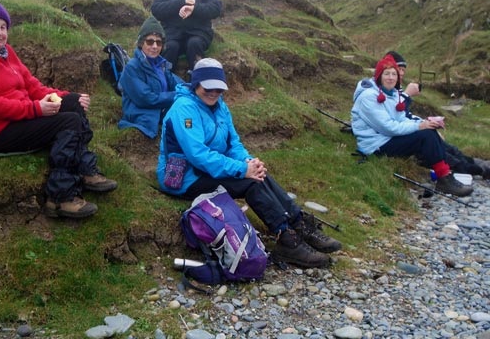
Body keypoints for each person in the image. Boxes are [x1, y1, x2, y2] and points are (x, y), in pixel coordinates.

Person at [0, 0, 117, 219]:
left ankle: (84, 169)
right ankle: (60, 197)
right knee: (69, 122)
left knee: (73, 105)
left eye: (3, 27)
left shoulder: (5, 52)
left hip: (15, 117)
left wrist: (69, 96)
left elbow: (34, 87)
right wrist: (35, 109)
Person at [157, 58, 342, 268]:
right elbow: (198, 155)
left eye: (219, 88)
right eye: (208, 87)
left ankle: (299, 223)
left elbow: (233, 143)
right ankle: (287, 241)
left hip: (208, 170)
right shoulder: (184, 108)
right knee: (250, 183)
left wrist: (249, 162)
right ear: (195, 83)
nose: (214, 92)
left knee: (259, 175)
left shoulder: (220, 107)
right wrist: (241, 169)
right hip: (184, 177)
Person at [351, 54, 474, 197]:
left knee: (429, 130)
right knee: (425, 134)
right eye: (386, 74)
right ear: (379, 76)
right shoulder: (369, 97)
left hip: (386, 139)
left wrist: (425, 123)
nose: (391, 78)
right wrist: (420, 127)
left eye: (393, 74)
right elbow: (388, 127)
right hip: (375, 145)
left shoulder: (392, 95)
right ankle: (445, 179)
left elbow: (401, 119)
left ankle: (445, 176)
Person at [384, 50, 490, 178]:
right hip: (393, 139)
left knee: (441, 141)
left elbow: (406, 115)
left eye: (403, 71)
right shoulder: (382, 91)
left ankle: (472, 161)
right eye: (398, 69)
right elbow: (394, 117)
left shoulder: (395, 89)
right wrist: (407, 95)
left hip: (403, 131)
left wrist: (426, 123)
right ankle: (473, 169)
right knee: (433, 142)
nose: (400, 74)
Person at [151, 0, 222, 72]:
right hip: (172, 35)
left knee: (194, 44)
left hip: (199, 34)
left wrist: (194, 8)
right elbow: (156, 9)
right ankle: (164, 81)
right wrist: (180, 2)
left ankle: (199, 83)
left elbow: (215, 8)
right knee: (170, 47)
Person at [118, 16, 183, 139]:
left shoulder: (161, 64)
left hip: (162, 111)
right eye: (150, 41)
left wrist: (195, 89)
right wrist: (178, 95)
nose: (154, 46)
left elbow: (178, 84)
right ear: (141, 43)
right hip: (144, 115)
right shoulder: (132, 67)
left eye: (158, 42)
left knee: (189, 113)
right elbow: (147, 98)